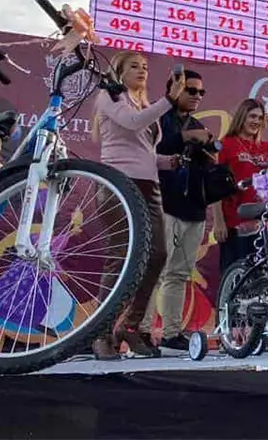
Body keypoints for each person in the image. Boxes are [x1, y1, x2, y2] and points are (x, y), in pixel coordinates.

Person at [91, 51, 183, 360]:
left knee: (157, 255)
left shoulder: (144, 106)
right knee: (120, 255)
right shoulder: (110, 95)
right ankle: (100, 332)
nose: (142, 71)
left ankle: (130, 326)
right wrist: (169, 100)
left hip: (149, 186)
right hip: (118, 183)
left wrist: (169, 161)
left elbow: (144, 151)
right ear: (118, 70)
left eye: (145, 67)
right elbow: (130, 124)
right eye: (134, 66)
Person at [142, 69, 213, 352]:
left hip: (194, 208)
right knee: (155, 271)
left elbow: (204, 167)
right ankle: (142, 331)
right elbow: (148, 153)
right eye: (191, 90)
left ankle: (172, 334)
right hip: (164, 203)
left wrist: (208, 155)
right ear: (173, 88)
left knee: (179, 274)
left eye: (201, 92)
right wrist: (185, 138)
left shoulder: (198, 125)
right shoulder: (156, 117)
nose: (197, 96)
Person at [213, 99, 268, 274]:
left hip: (264, 223)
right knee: (235, 274)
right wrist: (219, 222)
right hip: (235, 222)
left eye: (259, 118)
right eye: (252, 116)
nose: (256, 121)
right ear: (242, 117)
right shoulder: (226, 144)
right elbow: (215, 185)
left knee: (262, 275)